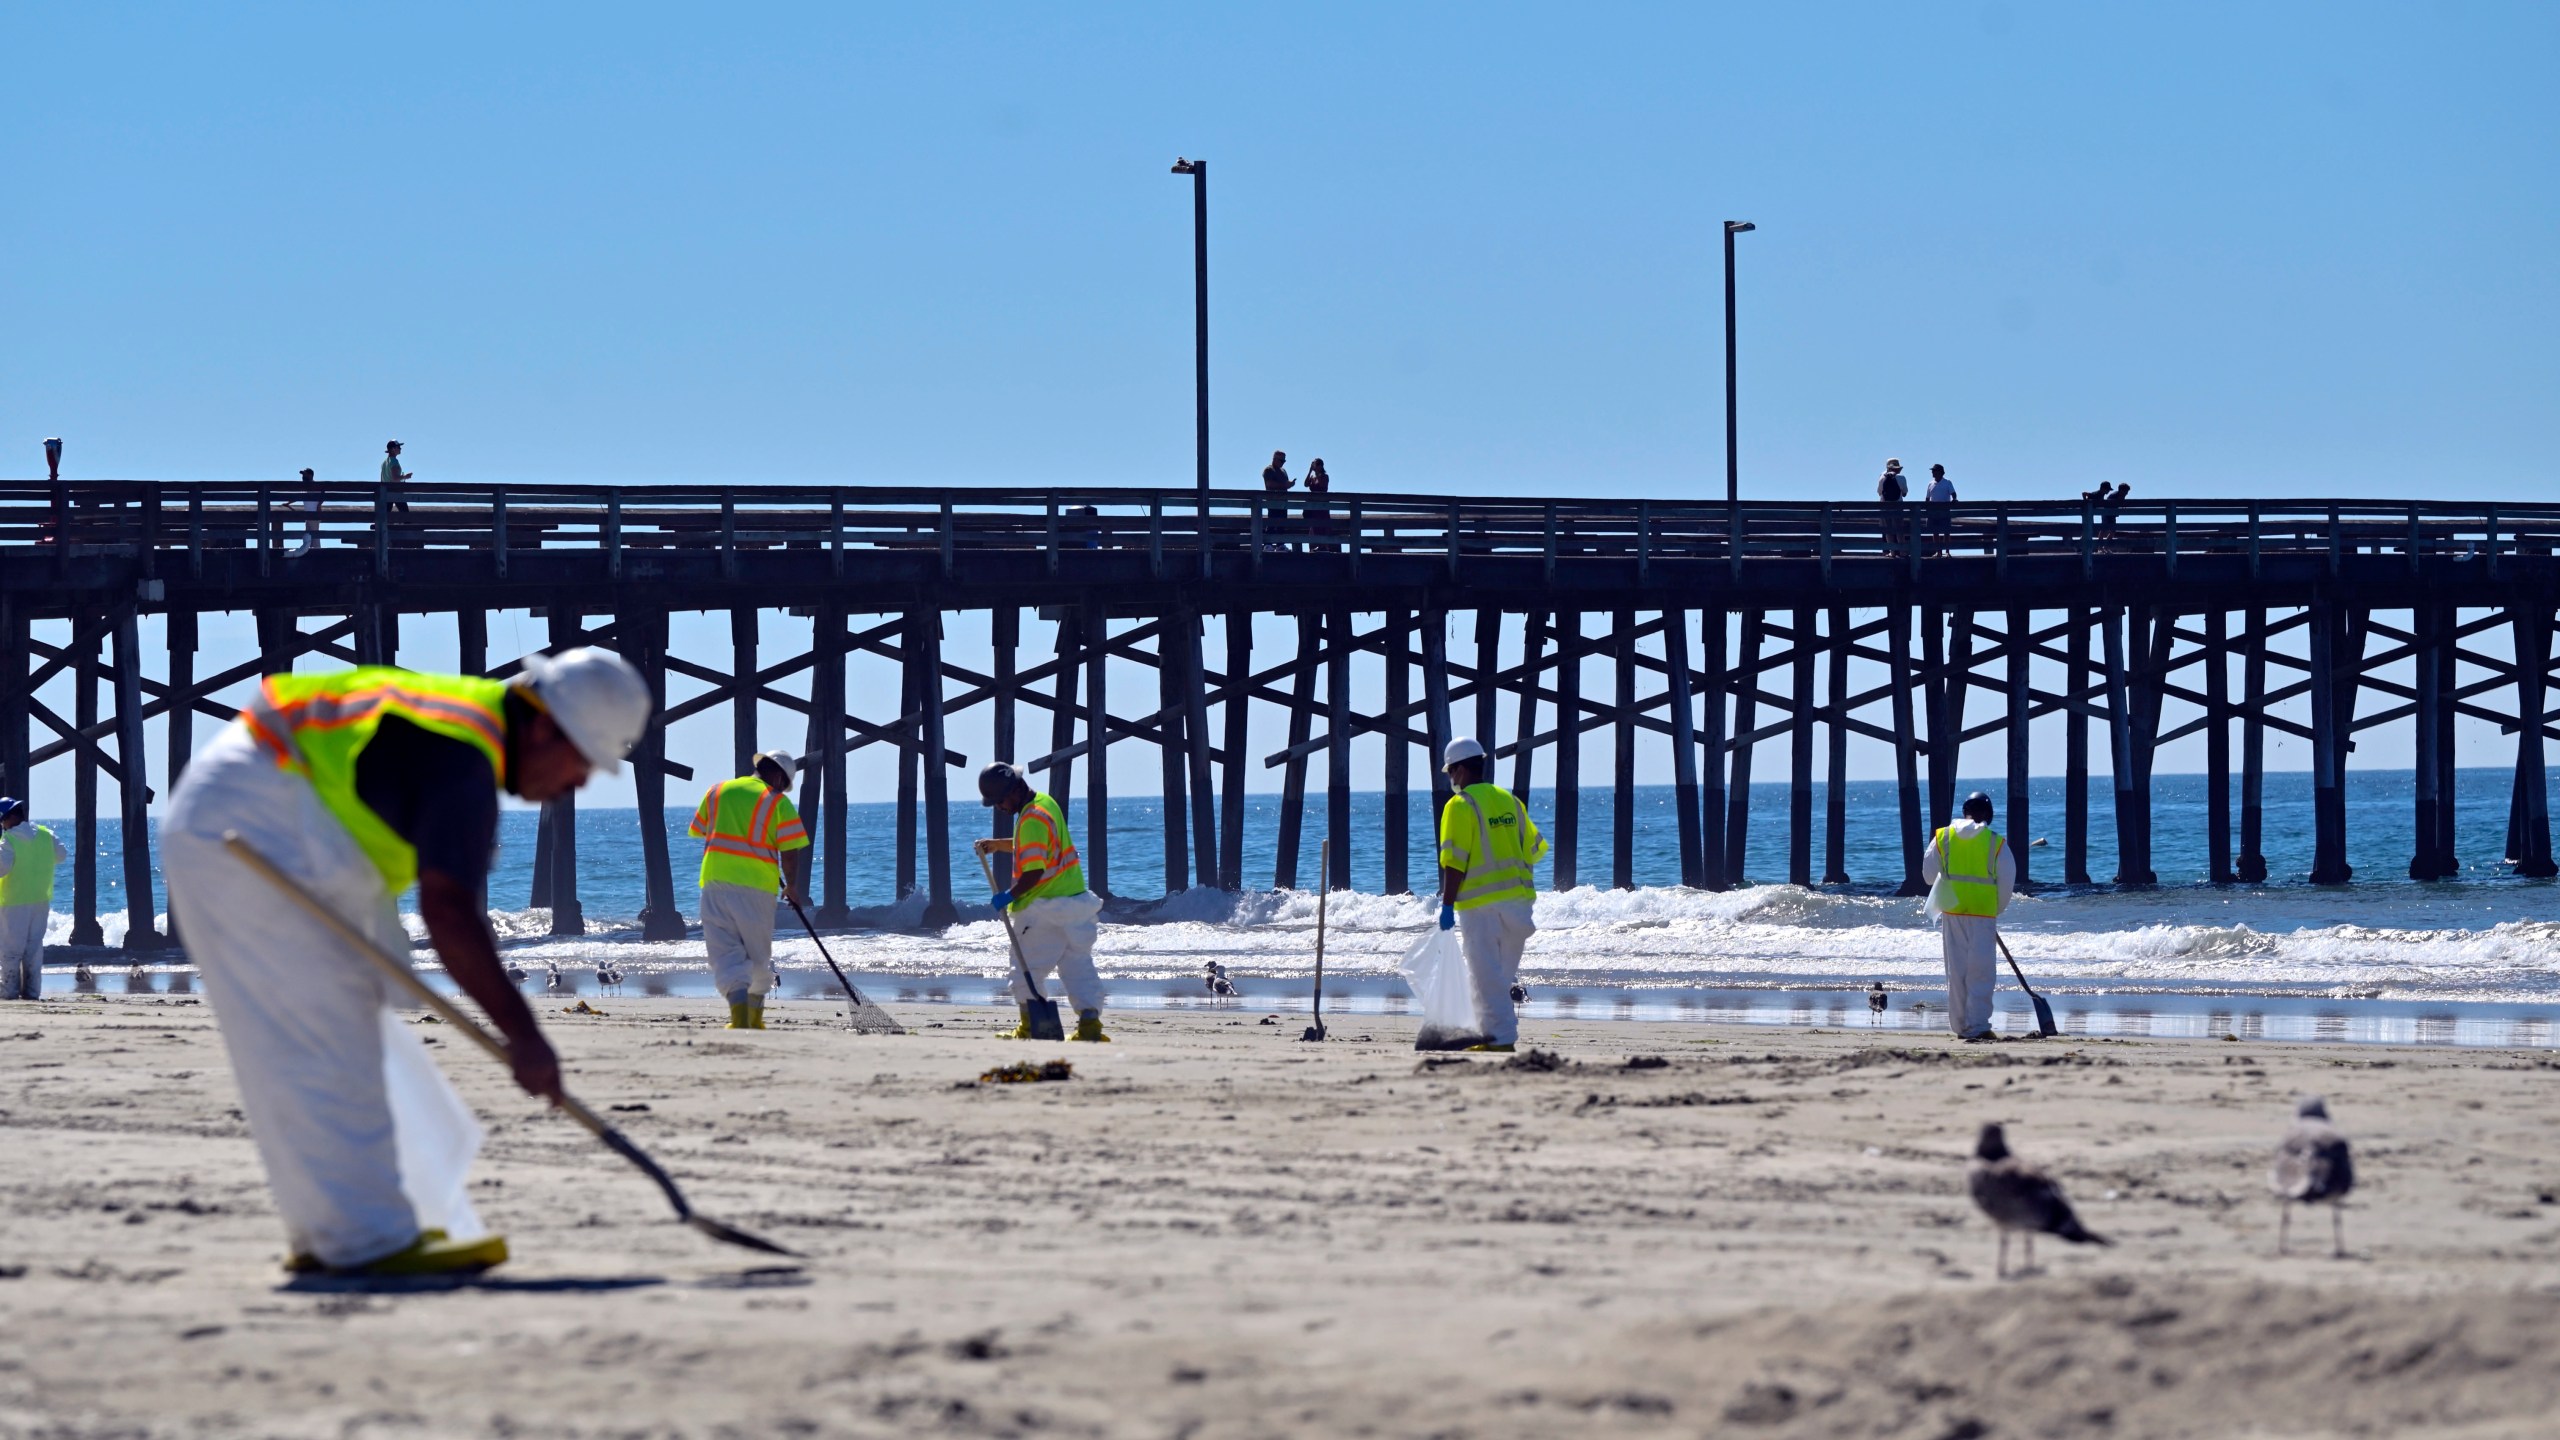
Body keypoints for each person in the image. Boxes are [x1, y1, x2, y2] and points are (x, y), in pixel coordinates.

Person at [158, 647, 653, 1276]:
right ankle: (363, 1239)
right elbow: (449, 915)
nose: (580, 783)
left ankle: (338, 1229)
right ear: (544, 726)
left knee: (327, 1031)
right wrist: (525, 1037)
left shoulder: (463, 736)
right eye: (584, 760)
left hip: (251, 812)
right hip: (254, 823)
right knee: (325, 1032)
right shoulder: (460, 759)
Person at [973, 761, 1109, 1042]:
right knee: (1077, 967)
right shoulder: (1045, 804)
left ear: (1013, 791)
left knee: (1024, 968)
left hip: (1042, 909)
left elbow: (1033, 871)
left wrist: (1009, 896)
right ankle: (1090, 1027)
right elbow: (1034, 844)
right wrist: (999, 844)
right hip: (1074, 904)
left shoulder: (1030, 818)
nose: (999, 808)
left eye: (999, 801)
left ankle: (1030, 1027)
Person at [1435, 737, 1549, 1053]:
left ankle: (1501, 1039)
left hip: (1481, 906)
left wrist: (1447, 905)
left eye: (1449, 772)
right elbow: (1535, 849)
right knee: (1498, 977)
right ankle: (1490, 1035)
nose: (1450, 778)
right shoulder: (1510, 801)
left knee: (1486, 977)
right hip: (1520, 906)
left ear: (1458, 770)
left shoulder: (1460, 805)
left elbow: (1454, 862)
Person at [686, 750, 810, 1030]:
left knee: (725, 954)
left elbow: (702, 830)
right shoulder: (777, 801)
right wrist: (792, 886)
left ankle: (739, 1019)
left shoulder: (716, 791)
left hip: (714, 884)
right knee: (756, 955)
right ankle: (753, 1020)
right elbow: (790, 850)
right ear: (779, 777)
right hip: (756, 889)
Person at [1920, 790, 2017, 1041]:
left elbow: (1928, 876)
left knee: (1957, 972)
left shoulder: (1943, 838)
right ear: (1988, 814)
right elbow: (2006, 884)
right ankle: (1978, 1025)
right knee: (1981, 972)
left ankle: (1962, 1025)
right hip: (1983, 917)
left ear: (1965, 812)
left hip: (1952, 913)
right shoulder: (1996, 843)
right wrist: (1995, 910)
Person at [0, 798, 61, 1001]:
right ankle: (32, 992)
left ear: (13, 817)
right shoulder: (45, 834)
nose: (2, 825)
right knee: (34, 947)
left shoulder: (9, 840)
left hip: (15, 901)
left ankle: (8, 991)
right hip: (40, 900)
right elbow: (61, 854)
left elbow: (3, 868)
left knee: (11, 949)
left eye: (3, 820)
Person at [1261, 450, 1292, 550]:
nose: (1282, 463)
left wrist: (1289, 484)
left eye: (1284, 461)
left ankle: (1280, 544)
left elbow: (1284, 483)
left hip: (1283, 502)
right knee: (1271, 522)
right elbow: (1270, 484)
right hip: (1272, 501)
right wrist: (1285, 485)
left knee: (1282, 524)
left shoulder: (1283, 471)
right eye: (1281, 460)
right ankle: (1268, 544)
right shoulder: (1268, 470)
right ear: (1274, 459)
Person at [1877, 458, 1908, 557]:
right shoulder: (1901, 477)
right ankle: (1902, 551)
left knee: (1888, 530)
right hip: (1898, 506)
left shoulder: (1882, 477)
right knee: (1899, 530)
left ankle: (1893, 551)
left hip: (1885, 506)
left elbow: (1879, 492)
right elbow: (1904, 493)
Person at [1925, 463, 1957, 556]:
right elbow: (1927, 498)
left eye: (1934, 471)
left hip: (1945, 510)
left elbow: (1953, 493)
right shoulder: (1930, 484)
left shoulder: (1947, 482)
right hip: (1933, 511)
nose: (1933, 473)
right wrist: (1927, 509)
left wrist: (1954, 500)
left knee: (1946, 531)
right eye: (1932, 471)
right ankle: (1938, 551)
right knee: (1935, 532)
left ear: (1940, 472)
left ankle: (1947, 551)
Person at [1304, 459, 1335, 550]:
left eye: (1316, 465)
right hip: (1314, 506)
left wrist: (1317, 475)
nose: (1314, 466)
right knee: (1314, 525)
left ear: (1321, 466)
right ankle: (1315, 545)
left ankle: (1324, 545)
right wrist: (1310, 471)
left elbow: (1321, 485)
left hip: (1323, 505)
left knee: (1323, 524)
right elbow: (1305, 484)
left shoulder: (1325, 476)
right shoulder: (1313, 477)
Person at [291, 467, 322, 554]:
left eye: (305, 475)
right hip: (308, 516)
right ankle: (310, 554)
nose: (303, 477)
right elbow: (298, 497)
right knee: (308, 536)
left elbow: (324, 494)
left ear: (310, 475)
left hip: (314, 514)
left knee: (314, 537)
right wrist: (287, 503)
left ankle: (318, 555)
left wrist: (319, 505)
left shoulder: (315, 486)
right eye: (303, 475)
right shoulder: (305, 487)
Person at [380, 440, 412, 515]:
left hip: (385, 492)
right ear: (393, 449)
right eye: (398, 447)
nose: (400, 449)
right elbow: (394, 478)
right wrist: (405, 477)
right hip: (395, 491)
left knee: (385, 516)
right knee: (406, 515)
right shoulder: (394, 461)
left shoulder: (384, 463)